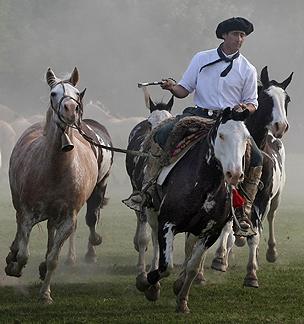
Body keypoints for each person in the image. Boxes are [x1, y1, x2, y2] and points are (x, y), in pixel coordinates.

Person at [129, 17, 263, 237]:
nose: (239, 39)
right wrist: (172, 87)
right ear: (224, 36)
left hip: (230, 123)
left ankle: (243, 212)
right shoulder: (202, 58)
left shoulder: (248, 69)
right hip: (200, 116)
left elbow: (252, 102)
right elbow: (184, 90)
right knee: (161, 134)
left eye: (242, 35)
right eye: (235, 34)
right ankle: (148, 189)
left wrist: (245, 109)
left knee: (256, 157)